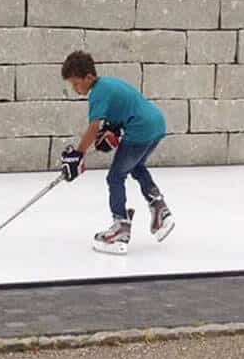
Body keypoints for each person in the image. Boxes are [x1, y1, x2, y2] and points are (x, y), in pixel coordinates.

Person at [58, 50, 174, 254]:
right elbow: (121, 111)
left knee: (115, 177)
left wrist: (78, 155)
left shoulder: (98, 93)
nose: (76, 89)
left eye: (77, 83)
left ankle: (120, 227)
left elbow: (94, 127)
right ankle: (160, 209)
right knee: (136, 167)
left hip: (140, 130)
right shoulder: (109, 84)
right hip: (157, 124)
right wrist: (112, 129)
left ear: (89, 77)